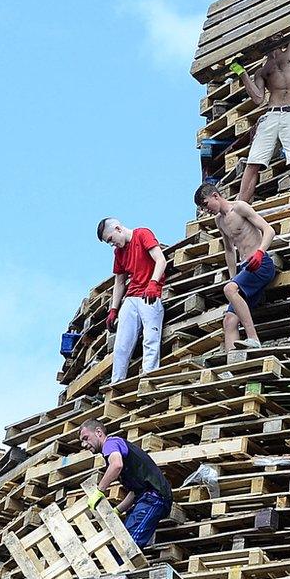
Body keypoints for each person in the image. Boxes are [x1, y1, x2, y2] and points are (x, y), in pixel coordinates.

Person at [194, 181, 278, 356]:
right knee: (229, 321)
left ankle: (253, 339)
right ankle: (234, 368)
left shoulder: (240, 207)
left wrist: (260, 253)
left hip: (261, 264)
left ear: (215, 196)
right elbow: (229, 250)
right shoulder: (219, 221)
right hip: (245, 269)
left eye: (205, 204)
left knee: (229, 289)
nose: (205, 210)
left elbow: (269, 230)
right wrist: (233, 277)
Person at [232, 33, 290, 203]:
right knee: (253, 162)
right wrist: (242, 73)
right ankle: (241, 207)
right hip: (272, 114)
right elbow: (258, 99)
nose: (274, 36)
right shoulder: (262, 71)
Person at [79, 418, 173, 548]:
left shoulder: (110, 444)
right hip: (148, 497)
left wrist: (99, 491)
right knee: (121, 541)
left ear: (99, 432)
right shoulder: (114, 450)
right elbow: (136, 491)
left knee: (128, 546)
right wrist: (117, 510)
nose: (84, 444)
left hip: (154, 498)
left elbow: (116, 465)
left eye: (86, 438)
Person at [96, 218, 167, 382]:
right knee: (121, 344)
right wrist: (113, 309)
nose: (112, 245)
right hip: (132, 297)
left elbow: (160, 260)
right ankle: (116, 381)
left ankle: (149, 378)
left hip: (149, 295)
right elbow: (119, 282)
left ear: (118, 229)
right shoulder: (119, 252)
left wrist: (153, 283)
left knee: (151, 338)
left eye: (111, 240)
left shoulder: (142, 234)